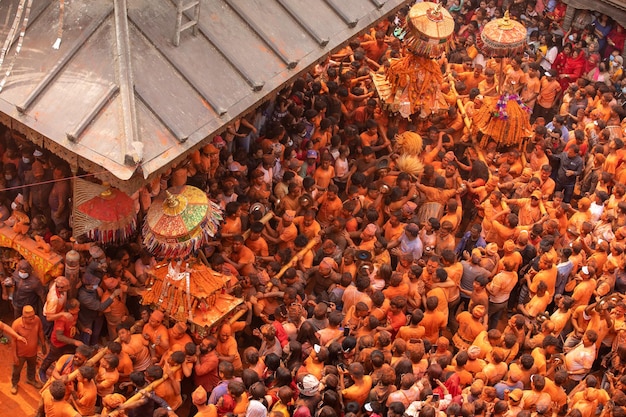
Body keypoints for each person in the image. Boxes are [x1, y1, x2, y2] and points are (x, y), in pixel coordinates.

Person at [11, 305, 44, 394]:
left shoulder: (37, 319)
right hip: (20, 354)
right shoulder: (16, 324)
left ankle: (31, 379)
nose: (33, 319)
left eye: (33, 316)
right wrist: (15, 356)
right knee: (17, 370)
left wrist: (43, 344)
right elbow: (13, 341)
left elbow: (40, 331)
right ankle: (14, 384)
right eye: (30, 318)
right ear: (23, 317)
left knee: (32, 367)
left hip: (33, 352)